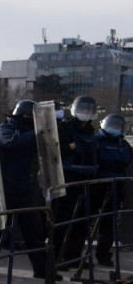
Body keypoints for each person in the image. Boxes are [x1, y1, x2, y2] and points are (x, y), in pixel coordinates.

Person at [0, 100, 56, 280]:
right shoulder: (5, 128)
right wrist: (37, 132)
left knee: (34, 232)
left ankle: (43, 269)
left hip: (24, 189)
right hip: (5, 189)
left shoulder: (30, 133)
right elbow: (10, 142)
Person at [55, 95, 100, 266]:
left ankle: (73, 257)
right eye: (82, 108)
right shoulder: (65, 128)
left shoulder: (91, 131)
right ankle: (57, 257)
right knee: (63, 219)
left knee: (83, 221)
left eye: (89, 109)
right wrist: (69, 147)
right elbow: (53, 149)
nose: (85, 112)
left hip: (87, 178)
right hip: (68, 177)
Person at [92, 114, 132, 266]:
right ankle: (73, 254)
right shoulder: (96, 141)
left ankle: (103, 255)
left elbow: (127, 165)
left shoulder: (124, 145)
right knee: (86, 220)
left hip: (117, 186)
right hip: (97, 185)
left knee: (108, 223)